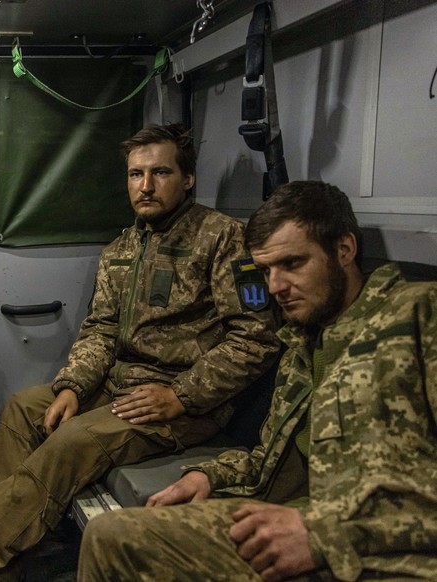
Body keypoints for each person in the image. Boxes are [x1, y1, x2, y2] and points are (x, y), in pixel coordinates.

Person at [0, 124, 281, 580]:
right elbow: (100, 329)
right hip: (117, 386)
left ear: (188, 179)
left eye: (160, 172)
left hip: (182, 405)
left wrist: (181, 394)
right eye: (135, 174)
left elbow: (255, 338)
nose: (145, 186)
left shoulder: (224, 240)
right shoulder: (122, 248)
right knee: (26, 408)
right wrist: (73, 387)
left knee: (74, 441)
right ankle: (2, 552)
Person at [77, 180, 437, 581]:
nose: (274, 288)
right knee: (111, 535)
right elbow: (271, 457)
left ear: (345, 249)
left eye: (292, 264)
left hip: (392, 555)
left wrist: (326, 535)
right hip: (306, 519)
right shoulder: (303, 342)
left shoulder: (418, 315)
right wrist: (208, 474)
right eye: (265, 270)